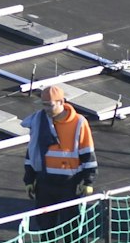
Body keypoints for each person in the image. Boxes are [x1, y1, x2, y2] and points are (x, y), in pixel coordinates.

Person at [22, 85, 97, 230]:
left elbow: (87, 153)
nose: (47, 110)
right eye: (44, 106)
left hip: (69, 184)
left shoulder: (79, 123)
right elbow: (32, 152)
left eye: (50, 106)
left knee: (71, 229)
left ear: (61, 102)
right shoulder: (39, 121)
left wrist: (88, 181)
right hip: (44, 183)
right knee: (45, 228)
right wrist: (29, 180)